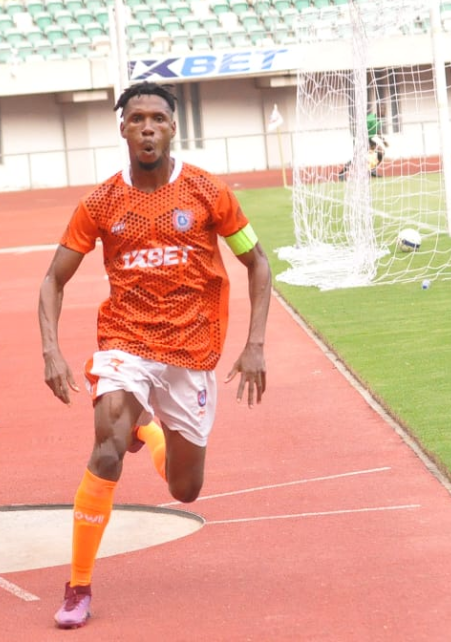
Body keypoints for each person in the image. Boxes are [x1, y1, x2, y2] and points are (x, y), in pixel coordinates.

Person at [38, 81, 272, 630]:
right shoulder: (100, 202)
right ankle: (77, 586)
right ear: (122, 128)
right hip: (127, 342)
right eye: (137, 118)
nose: (148, 127)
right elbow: (53, 279)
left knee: (185, 490)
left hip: (192, 351)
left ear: (172, 128)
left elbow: (257, 262)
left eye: (158, 119)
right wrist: (51, 350)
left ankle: (155, 432)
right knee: (106, 448)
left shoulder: (207, 192)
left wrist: (255, 344)